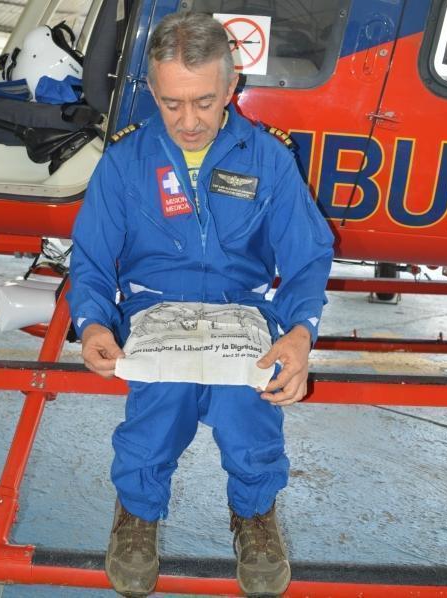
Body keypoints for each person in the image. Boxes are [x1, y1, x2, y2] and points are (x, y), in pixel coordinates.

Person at [68, 12, 334, 597]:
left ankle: (255, 514)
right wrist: (90, 323)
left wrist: (299, 334)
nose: (188, 121)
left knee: (249, 405)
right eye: (171, 104)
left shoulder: (268, 159)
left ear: (232, 88)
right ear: (154, 94)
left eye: (204, 102)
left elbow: (309, 255)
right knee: (161, 402)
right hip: (153, 312)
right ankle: (137, 515)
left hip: (243, 312)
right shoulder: (125, 161)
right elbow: (89, 257)